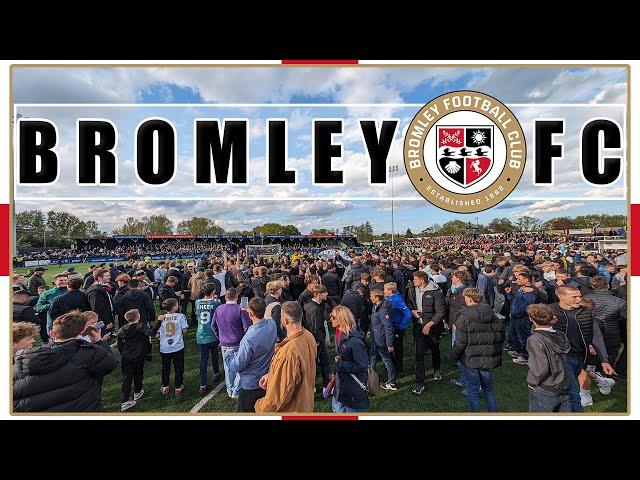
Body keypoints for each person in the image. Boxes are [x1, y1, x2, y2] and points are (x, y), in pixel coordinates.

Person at [13, 311, 118, 412]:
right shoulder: (88, 353)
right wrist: (98, 341)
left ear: (52, 333)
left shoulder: (23, 362)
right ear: (81, 332)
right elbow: (109, 363)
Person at [549, 285, 614, 412]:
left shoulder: (586, 312)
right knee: (573, 392)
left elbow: (596, 336)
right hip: (561, 358)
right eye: (574, 297)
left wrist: (604, 359)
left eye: (579, 296)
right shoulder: (550, 310)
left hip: (580, 358)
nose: (579, 299)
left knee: (565, 391)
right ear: (561, 296)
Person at [254, 301, 317, 413]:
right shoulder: (308, 336)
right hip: (305, 403)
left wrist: (259, 406)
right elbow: (297, 370)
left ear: (285, 320)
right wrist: (272, 375)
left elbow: (278, 398)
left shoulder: (288, 352)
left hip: (292, 410)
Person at [451, 288, 504, 412]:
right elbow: (501, 335)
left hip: (471, 360)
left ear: (469, 298)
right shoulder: (492, 313)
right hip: (488, 358)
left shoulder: (464, 316)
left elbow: (460, 342)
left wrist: (454, 357)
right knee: (488, 389)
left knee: (472, 391)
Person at [231, 297, 278, 412]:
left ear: (251, 314)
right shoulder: (272, 324)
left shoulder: (249, 338)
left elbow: (238, 365)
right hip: (267, 379)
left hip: (251, 384)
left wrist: (228, 357)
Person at [525, 304, 571, 412]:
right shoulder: (561, 335)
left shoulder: (535, 339)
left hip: (546, 386)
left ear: (531, 319)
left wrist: (532, 382)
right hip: (564, 384)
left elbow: (540, 368)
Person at [406, 270, 445, 394]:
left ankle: (437, 369)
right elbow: (409, 303)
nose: (413, 281)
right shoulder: (412, 289)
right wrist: (412, 311)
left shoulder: (435, 291)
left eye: (415, 279)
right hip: (418, 326)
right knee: (419, 353)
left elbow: (440, 312)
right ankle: (419, 382)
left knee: (434, 348)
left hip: (432, 327)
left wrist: (429, 324)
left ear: (422, 280)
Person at [117, 309, 160, 411]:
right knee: (138, 373)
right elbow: (151, 332)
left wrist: (123, 352)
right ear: (138, 316)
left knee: (127, 378)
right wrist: (159, 321)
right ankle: (137, 391)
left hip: (126, 357)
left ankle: (125, 400)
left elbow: (119, 344)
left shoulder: (122, 329)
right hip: (138, 356)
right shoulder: (141, 326)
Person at [212, 287, 251, 399]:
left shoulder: (219, 309)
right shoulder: (240, 309)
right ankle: (236, 390)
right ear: (237, 297)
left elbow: (213, 326)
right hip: (238, 342)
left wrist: (220, 337)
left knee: (228, 367)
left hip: (225, 342)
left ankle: (230, 390)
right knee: (242, 367)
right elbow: (247, 327)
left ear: (225, 297)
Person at [329, 306, 369, 413]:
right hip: (342, 384)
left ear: (342, 319)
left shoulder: (355, 341)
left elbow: (362, 366)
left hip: (353, 387)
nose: (330, 320)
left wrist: (340, 364)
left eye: (333, 317)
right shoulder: (339, 335)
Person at [302, 284, 331, 394]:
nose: (327, 294)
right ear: (319, 295)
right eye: (325, 293)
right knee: (315, 364)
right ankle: (313, 387)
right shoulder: (315, 309)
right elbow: (315, 327)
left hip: (316, 339)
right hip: (316, 340)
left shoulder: (311, 304)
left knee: (324, 362)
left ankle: (325, 385)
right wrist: (318, 341)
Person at [157, 298, 189, 396]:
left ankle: (165, 386)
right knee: (178, 367)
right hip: (177, 346)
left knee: (165, 367)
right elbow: (184, 330)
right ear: (174, 307)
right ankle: (178, 387)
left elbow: (157, 334)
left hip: (165, 347)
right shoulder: (181, 316)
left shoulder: (161, 317)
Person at [194, 283, 222, 394]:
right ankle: (216, 373)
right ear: (213, 292)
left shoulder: (197, 302)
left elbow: (197, 315)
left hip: (201, 333)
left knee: (203, 359)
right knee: (214, 354)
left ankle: (203, 384)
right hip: (213, 333)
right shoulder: (217, 302)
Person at [369, 290, 397, 390]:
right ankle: (372, 379)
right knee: (372, 357)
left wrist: (389, 344)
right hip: (375, 338)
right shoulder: (376, 306)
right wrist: (370, 330)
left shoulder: (383, 310)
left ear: (377, 298)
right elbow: (373, 321)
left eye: (371, 296)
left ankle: (392, 382)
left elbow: (388, 327)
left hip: (381, 340)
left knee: (386, 360)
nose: (370, 298)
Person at [384, 282, 411, 379]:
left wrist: (401, 327)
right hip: (391, 327)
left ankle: (399, 370)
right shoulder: (388, 298)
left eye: (385, 290)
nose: (383, 291)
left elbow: (407, 314)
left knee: (397, 349)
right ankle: (393, 367)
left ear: (390, 291)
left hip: (397, 328)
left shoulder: (397, 300)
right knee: (390, 347)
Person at [85, 268, 115, 338]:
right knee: (103, 338)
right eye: (107, 276)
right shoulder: (95, 292)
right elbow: (97, 309)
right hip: (102, 321)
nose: (110, 277)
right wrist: (106, 322)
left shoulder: (102, 287)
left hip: (106, 318)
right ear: (99, 278)